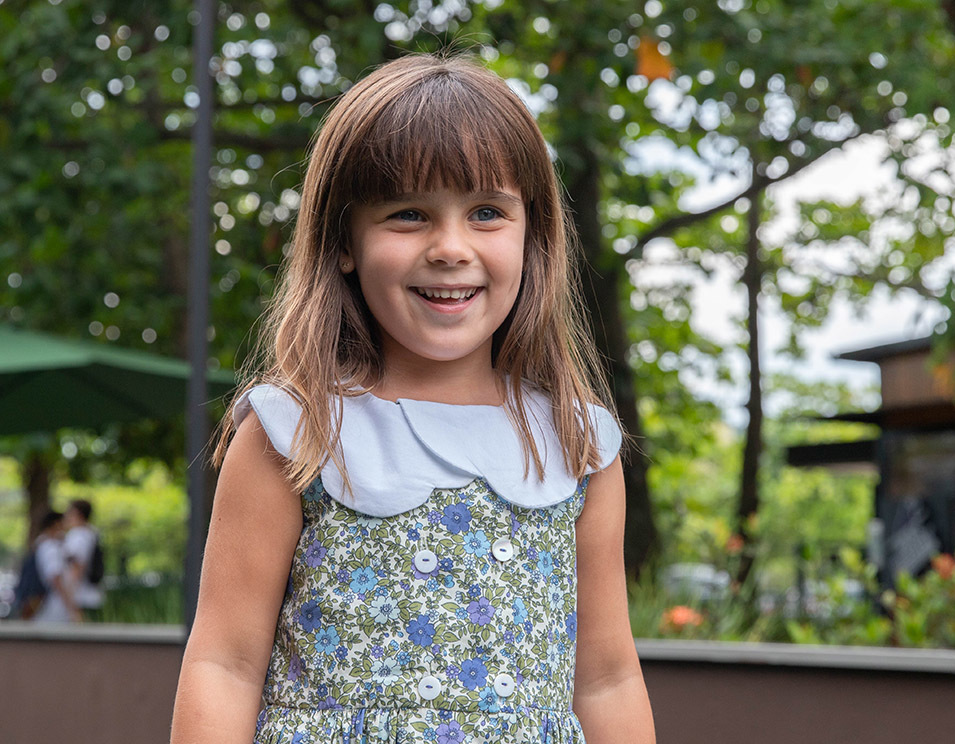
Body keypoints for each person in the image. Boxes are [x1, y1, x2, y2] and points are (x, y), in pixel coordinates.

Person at [171, 53, 655, 743]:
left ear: (532, 235)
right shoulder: (296, 432)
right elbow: (225, 663)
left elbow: (608, 677)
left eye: (487, 212)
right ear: (345, 240)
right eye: (408, 214)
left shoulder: (579, 447)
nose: (450, 247)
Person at [63, 498, 104, 621]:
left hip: (80, 595)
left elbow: (77, 566)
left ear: (77, 514)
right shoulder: (91, 533)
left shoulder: (78, 535)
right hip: (91, 594)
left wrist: (68, 594)